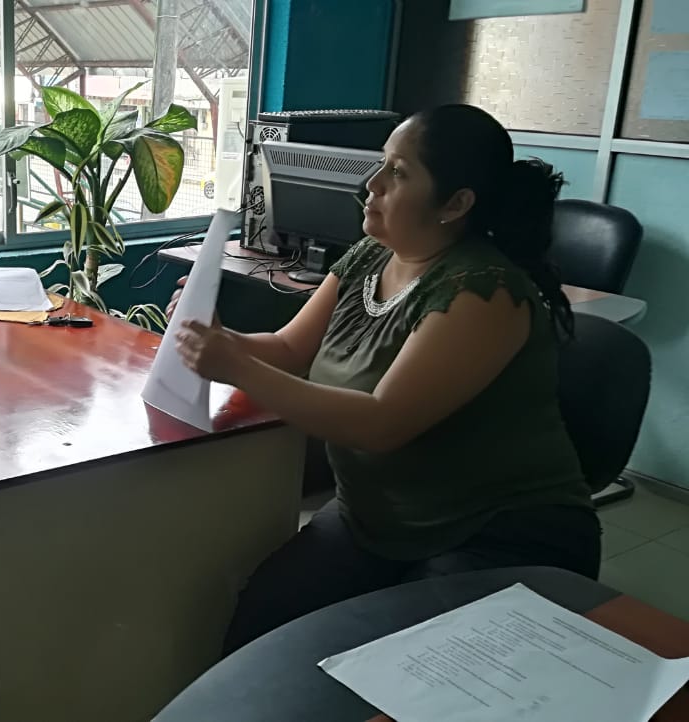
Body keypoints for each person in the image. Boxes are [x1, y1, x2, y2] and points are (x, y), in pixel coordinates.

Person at [170, 104, 600, 658]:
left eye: (397, 172)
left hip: (497, 532)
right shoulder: (372, 254)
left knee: (398, 665)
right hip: (377, 520)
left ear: (456, 203)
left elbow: (381, 424)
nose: (370, 185)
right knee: (262, 624)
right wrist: (217, 338)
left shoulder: (484, 290)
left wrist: (235, 364)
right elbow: (289, 349)